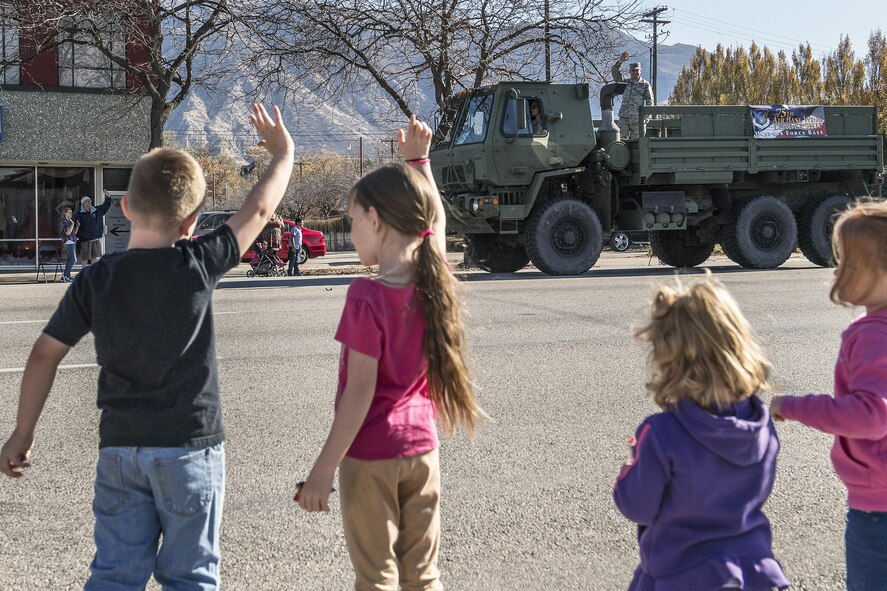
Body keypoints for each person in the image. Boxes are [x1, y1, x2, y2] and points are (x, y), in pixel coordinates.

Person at [0, 103, 294, 591]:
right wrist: (282, 154)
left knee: (115, 576)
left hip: (120, 450)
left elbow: (44, 354)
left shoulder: (96, 280)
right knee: (190, 577)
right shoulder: (199, 263)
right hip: (190, 450)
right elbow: (259, 209)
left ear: (127, 207)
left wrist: (22, 432)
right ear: (193, 222)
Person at [296, 115, 485, 590]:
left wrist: (321, 473)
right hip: (422, 449)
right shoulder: (433, 278)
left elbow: (358, 397)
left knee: (375, 579)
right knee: (423, 576)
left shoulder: (367, 296)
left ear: (376, 219)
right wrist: (418, 162)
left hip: (371, 456)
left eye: (353, 218)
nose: (351, 227)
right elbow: (434, 221)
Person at [613, 277, 789, 591]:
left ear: (670, 361)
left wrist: (628, 472)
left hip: (681, 573)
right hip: (753, 570)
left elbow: (638, 506)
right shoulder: (760, 425)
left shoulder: (661, 433)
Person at [770, 201, 887, 591]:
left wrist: (791, 406)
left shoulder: (873, 334)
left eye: (849, 265)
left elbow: (870, 415)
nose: (837, 272)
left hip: (878, 509)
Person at [611, 51, 654, 139]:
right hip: (624, 117)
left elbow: (650, 101)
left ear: (640, 70)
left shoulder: (645, 84)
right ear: (629, 71)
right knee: (620, 140)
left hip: (638, 119)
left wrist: (646, 116)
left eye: (637, 70)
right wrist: (620, 61)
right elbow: (614, 72)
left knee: (638, 142)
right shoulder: (625, 82)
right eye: (633, 70)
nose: (635, 72)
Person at [75, 190, 114, 267]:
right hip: (85, 240)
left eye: (90, 201)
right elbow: (77, 227)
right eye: (87, 201)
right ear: (83, 204)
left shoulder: (97, 210)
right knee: (85, 257)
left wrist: (108, 197)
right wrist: (82, 236)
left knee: (94, 256)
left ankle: (93, 273)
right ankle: (84, 272)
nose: (89, 203)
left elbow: (105, 206)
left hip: (95, 238)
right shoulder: (78, 214)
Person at [59, 206, 79, 282]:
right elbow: (67, 233)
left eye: (71, 213)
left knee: (70, 259)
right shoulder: (64, 222)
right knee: (74, 260)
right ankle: (65, 275)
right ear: (65, 213)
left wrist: (77, 226)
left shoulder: (68, 222)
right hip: (68, 242)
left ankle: (67, 275)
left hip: (72, 241)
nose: (71, 214)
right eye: (69, 212)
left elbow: (74, 233)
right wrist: (73, 224)